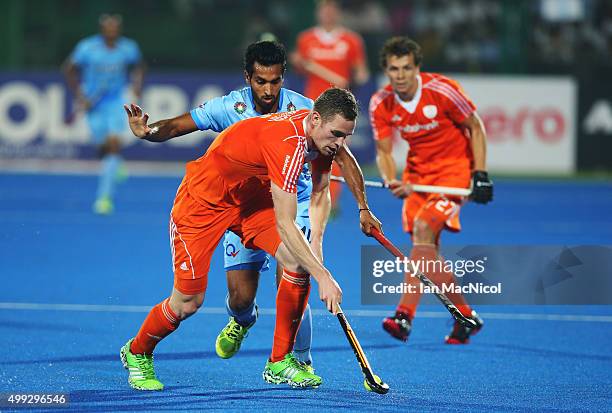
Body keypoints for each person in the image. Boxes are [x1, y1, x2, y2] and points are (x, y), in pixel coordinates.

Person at [119, 40, 379, 373]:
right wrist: (324, 274)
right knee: (193, 302)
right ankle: (138, 351)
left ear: (284, 77)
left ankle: (286, 361)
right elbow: (176, 126)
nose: (269, 90)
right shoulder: (246, 116)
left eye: (275, 81)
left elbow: (339, 155)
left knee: (294, 262)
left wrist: (361, 208)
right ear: (248, 78)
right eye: (260, 81)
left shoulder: (308, 115)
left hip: (259, 202)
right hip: (206, 203)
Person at [369, 37, 493, 344]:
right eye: (394, 69)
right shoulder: (380, 103)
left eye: (406, 68)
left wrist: (480, 174)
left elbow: (475, 126)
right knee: (427, 254)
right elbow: (384, 151)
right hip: (417, 177)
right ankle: (466, 317)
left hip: (454, 173)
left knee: (424, 231)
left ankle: (404, 316)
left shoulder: (442, 90)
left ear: (417, 68)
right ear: (386, 70)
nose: (400, 75)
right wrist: (389, 178)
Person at [291, 0, 370, 215]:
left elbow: (362, 73)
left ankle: (330, 202)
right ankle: (305, 197)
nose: (327, 13)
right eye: (323, 9)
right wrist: (299, 62)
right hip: (312, 105)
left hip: (340, 106)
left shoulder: (351, 40)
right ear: (318, 12)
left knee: (335, 152)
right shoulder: (306, 39)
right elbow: (299, 68)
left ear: (338, 13)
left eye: (331, 9)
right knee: (305, 152)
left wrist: (355, 80)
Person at [63, 14, 144, 214]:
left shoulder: (128, 48)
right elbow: (69, 69)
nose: (112, 32)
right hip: (93, 105)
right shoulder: (87, 48)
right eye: (108, 28)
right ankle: (116, 164)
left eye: (115, 28)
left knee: (113, 146)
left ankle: (104, 198)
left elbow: (140, 66)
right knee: (103, 149)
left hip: (116, 103)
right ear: (102, 29)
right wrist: (80, 96)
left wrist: (136, 85)